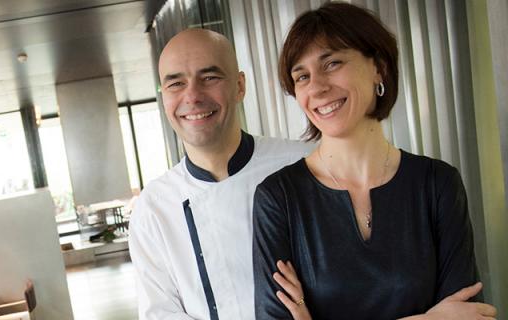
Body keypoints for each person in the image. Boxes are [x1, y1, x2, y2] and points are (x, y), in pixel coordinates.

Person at [252, 2, 497, 320]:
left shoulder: (437, 184)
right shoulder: (278, 198)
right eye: (301, 77)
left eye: (332, 63)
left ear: (378, 67)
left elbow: (469, 315)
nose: (317, 87)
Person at [128, 28, 312, 319]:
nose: (193, 96)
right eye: (176, 83)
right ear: (163, 98)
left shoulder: (304, 163)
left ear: (240, 86)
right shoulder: (153, 207)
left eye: (210, 78)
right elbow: (161, 314)